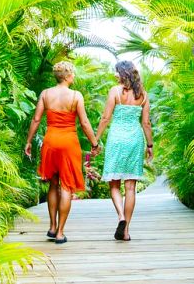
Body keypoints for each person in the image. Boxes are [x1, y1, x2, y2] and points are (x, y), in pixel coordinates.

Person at [24, 61, 99, 244]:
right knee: (66, 186)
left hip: (50, 141)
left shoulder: (45, 94)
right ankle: (60, 232)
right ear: (66, 76)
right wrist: (94, 143)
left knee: (53, 184)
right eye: (72, 73)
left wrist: (28, 141)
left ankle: (51, 226)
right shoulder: (75, 96)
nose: (73, 76)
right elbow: (84, 123)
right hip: (68, 142)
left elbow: (36, 119)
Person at [95, 60, 153, 241]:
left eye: (116, 72)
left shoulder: (115, 91)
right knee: (130, 187)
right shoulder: (143, 94)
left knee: (114, 183)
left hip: (117, 139)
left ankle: (120, 216)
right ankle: (126, 230)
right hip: (135, 139)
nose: (114, 75)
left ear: (123, 73)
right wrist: (150, 145)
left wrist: (95, 140)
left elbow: (105, 118)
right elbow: (146, 123)